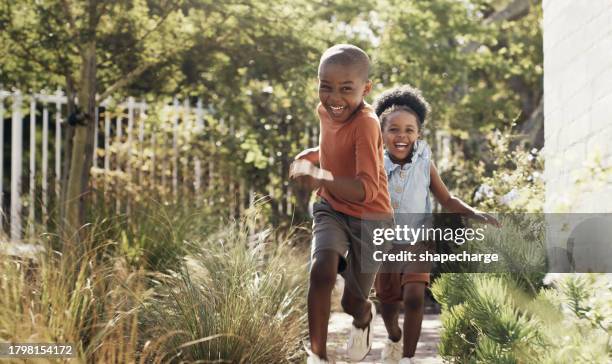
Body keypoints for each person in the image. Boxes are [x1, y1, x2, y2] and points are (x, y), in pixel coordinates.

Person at [372, 85, 500, 364]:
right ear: (381, 134)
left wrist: (476, 213)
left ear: (418, 133)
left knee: (415, 296)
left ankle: (407, 358)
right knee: (388, 305)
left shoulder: (424, 163)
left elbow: (447, 198)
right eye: (393, 129)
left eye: (409, 129)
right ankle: (393, 337)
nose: (402, 135)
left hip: (419, 239)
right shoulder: (374, 165)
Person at [290, 44, 393, 364]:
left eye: (346, 89)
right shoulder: (327, 110)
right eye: (325, 86)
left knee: (352, 302)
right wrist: (314, 155)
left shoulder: (367, 123)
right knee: (321, 270)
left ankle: (364, 318)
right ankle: (316, 356)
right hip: (331, 206)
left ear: (366, 88)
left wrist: (319, 175)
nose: (334, 98)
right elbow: (336, 147)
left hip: (371, 218)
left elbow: (365, 189)